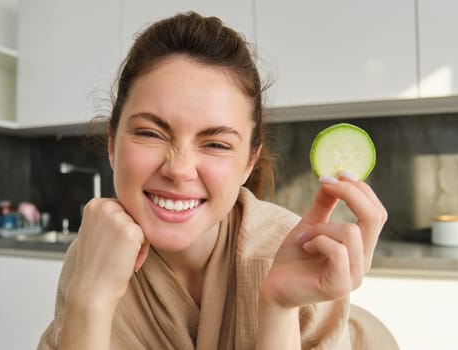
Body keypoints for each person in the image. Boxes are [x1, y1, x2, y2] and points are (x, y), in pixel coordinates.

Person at [38, 12, 390, 350]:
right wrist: (90, 301)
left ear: (248, 163)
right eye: (150, 133)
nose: (179, 169)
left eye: (217, 144)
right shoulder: (94, 252)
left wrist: (279, 308)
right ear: (113, 143)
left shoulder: (298, 253)